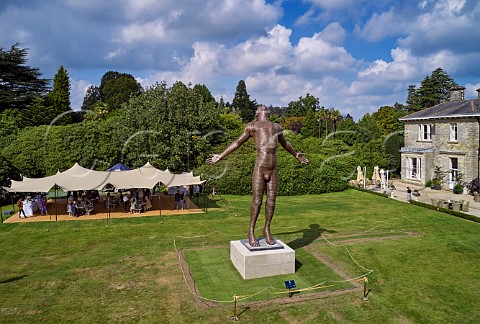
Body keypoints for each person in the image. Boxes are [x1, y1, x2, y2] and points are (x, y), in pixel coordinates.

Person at [207, 105, 308, 247]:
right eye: (261, 108)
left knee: (272, 201)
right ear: (257, 113)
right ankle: (251, 231)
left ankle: (266, 229)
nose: (263, 109)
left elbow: (285, 143)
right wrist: (221, 156)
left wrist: (296, 155)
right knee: (257, 202)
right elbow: (238, 142)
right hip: (260, 168)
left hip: (273, 168)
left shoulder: (277, 127)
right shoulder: (252, 127)